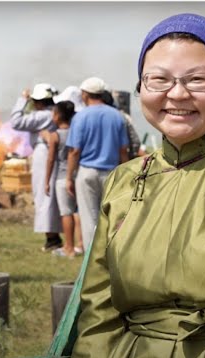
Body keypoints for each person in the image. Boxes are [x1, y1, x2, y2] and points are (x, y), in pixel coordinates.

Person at [72, 13, 205, 358]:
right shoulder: (123, 180)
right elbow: (100, 309)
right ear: (141, 86)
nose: (177, 93)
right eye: (158, 79)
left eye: (198, 79)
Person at [65, 77, 129, 252]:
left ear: (85, 94)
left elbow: (74, 151)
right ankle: (112, 255)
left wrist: (69, 177)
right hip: (111, 172)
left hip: (87, 172)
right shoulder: (117, 116)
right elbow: (123, 150)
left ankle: (92, 261)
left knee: (89, 218)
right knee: (111, 217)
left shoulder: (80, 117)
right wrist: (126, 174)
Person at [10, 83, 63, 252]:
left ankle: (52, 237)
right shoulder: (51, 113)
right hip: (44, 152)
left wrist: (22, 100)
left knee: (44, 194)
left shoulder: (43, 115)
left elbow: (16, 121)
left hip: (44, 153)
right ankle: (52, 235)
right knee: (46, 194)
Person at [40, 100, 84, 259]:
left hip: (61, 178)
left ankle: (69, 248)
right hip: (76, 176)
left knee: (66, 213)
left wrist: (46, 181)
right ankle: (81, 244)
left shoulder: (55, 135)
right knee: (77, 212)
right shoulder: (76, 132)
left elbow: (51, 159)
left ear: (57, 116)